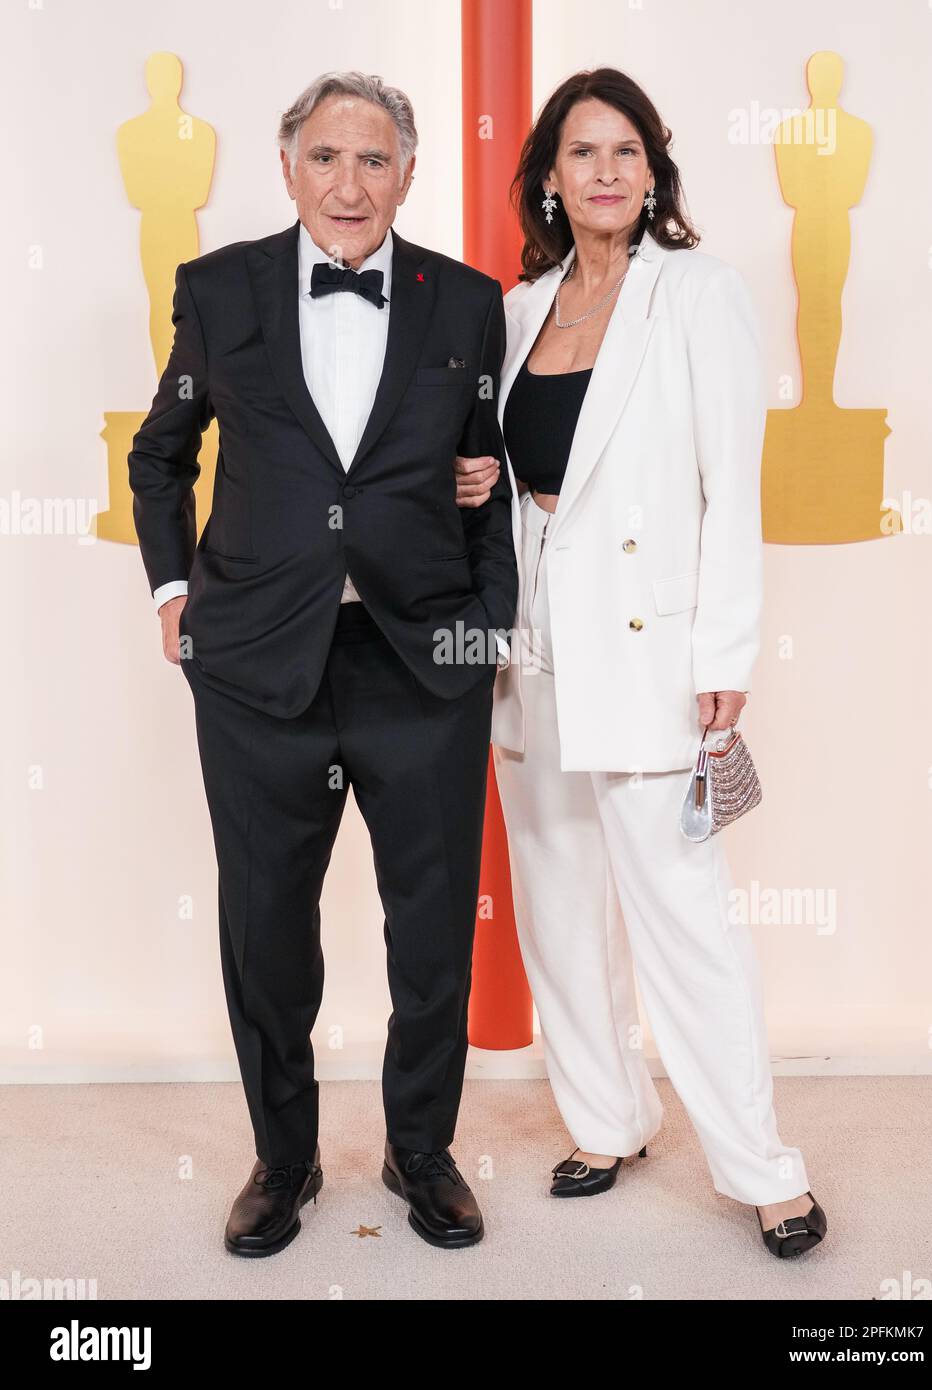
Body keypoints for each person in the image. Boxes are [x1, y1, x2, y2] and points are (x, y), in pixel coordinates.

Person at [129, 70, 516, 1256]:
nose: (350, 184)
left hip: (420, 656)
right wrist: (175, 593)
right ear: (287, 166)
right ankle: (283, 1160)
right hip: (254, 661)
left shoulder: (464, 300)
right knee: (266, 926)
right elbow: (161, 454)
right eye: (326, 159)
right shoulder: (217, 289)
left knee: (432, 920)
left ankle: (421, 1148)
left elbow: (485, 468)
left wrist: (489, 625)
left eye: (376, 159)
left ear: (410, 171)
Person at [455, 67, 827, 1258]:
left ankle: (763, 1169)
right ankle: (607, 1119)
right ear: (549, 180)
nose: (604, 171)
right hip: (535, 643)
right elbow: (508, 474)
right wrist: (475, 487)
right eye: (580, 153)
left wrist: (723, 649)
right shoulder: (518, 310)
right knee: (557, 906)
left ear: (651, 170)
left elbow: (730, 484)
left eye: (625, 151)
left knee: (684, 918)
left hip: (652, 648)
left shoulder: (698, 295)